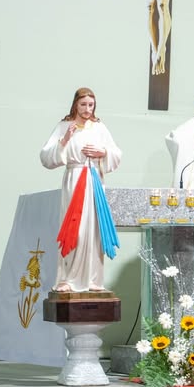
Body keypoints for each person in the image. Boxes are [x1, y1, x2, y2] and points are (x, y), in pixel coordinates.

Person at [40, 87, 122, 292]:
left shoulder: (99, 127)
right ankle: (67, 278)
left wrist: (103, 152)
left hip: (95, 179)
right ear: (75, 104)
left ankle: (93, 278)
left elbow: (116, 153)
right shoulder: (64, 126)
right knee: (75, 228)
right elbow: (46, 157)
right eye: (83, 104)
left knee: (93, 230)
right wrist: (65, 140)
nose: (87, 109)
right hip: (75, 178)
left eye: (91, 105)